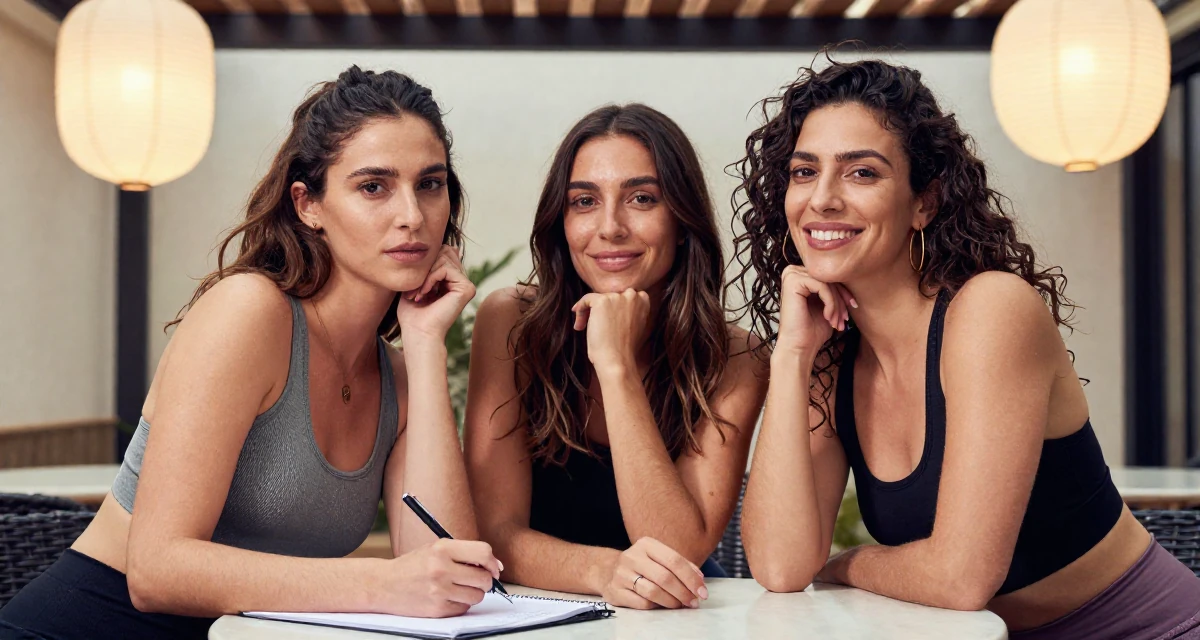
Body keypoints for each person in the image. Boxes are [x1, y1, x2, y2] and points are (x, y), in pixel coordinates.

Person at [0, 66, 501, 640]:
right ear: (308, 204)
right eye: (373, 186)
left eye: (430, 184)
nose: (412, 215)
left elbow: (450, 571)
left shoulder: (401, 374)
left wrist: (426, 342)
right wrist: (382, 582)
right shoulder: (250, 313)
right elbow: (156, 570)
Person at [733, 57, 1200, 639]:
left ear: (924, 203)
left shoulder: (989, 310)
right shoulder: (829, 353)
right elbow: (778, 567)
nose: (822, 199)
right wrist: (792, 356)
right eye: (805, 172)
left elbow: (961, 578)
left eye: (861, 173)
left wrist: (841, 566)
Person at [464, 104, 766, 610]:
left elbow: (676, 548)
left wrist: (616, 366)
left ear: (681, 219)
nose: (610, 227)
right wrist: (602, 570)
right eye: (584, 201)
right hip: (547, 597)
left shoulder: (738, 356)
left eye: (642, 199)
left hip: (673, 608)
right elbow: (494, 531)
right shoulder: (511, 322)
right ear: (560, 222)